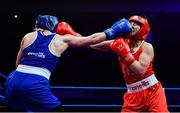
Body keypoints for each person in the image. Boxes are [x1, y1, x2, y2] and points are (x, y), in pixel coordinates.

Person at [4, 14, 132, 112]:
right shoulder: (61, 39)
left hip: (13, 79)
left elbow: (17, 64)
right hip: (35, 83)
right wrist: (113, 31)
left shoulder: (27, 36)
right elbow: (91, 40)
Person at [89, 15, 169, 112]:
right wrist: (111, 32)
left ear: (143, 29)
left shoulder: (147, 47)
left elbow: (140, 71)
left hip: (152, 91)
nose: (132, 25)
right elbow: (93, 44)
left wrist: (124, 53)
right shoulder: (120, 43)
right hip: (132, 94)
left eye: (136, 24)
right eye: (130, 23)